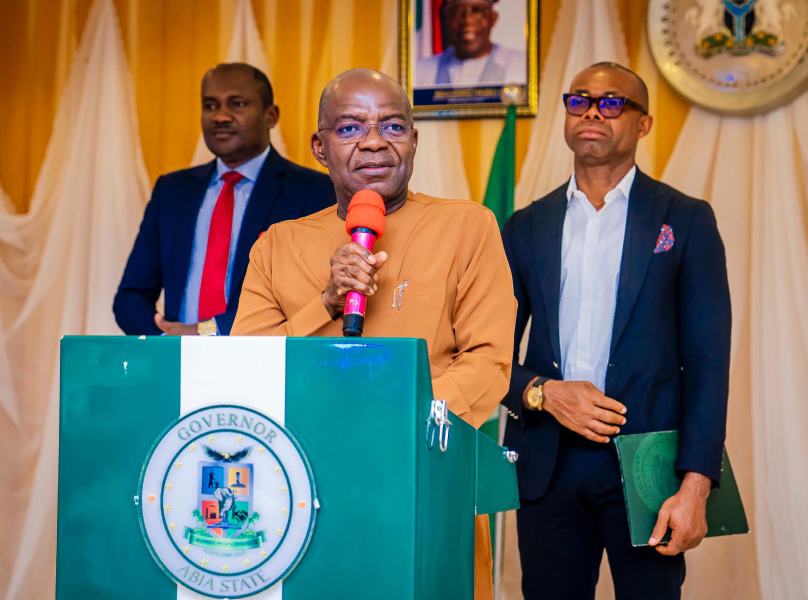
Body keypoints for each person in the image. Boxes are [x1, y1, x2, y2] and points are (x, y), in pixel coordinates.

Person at [232, 68, 515, 598]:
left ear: (414, 139)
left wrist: (402, 435)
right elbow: (246, 369)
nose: (373, 143)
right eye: (349, 128)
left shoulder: (468, 226)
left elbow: (489, 358)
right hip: (302, 484)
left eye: (392, 126)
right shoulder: (278, 245)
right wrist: (326, 303)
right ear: (319, 147)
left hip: (428, 471)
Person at [501, 62, 731, 599]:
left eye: (611, 103)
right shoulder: (525, 225)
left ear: (643, 124)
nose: (592, 114)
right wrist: (544, 394)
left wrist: (696, 485)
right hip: (548, 463)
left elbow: (707, 362)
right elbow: (490, 353)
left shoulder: (687, 219)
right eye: (579, 100)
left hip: (649, 469)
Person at [113, 63, 335, 336]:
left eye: (237, 104)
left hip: (263, 361)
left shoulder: (314, 191)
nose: (220, 117)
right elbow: (130, 295)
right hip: (175, 363)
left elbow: (311, 297)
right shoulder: (172, 191)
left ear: (271, 116)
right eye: (210, 106)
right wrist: (164, 338)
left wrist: (206, 332)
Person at [416, 0, 526, 87]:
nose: (467, 20)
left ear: (493, 18)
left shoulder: (521, 66)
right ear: (447, 19)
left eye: (476, 10)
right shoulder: (421, 72)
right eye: (457, 12)